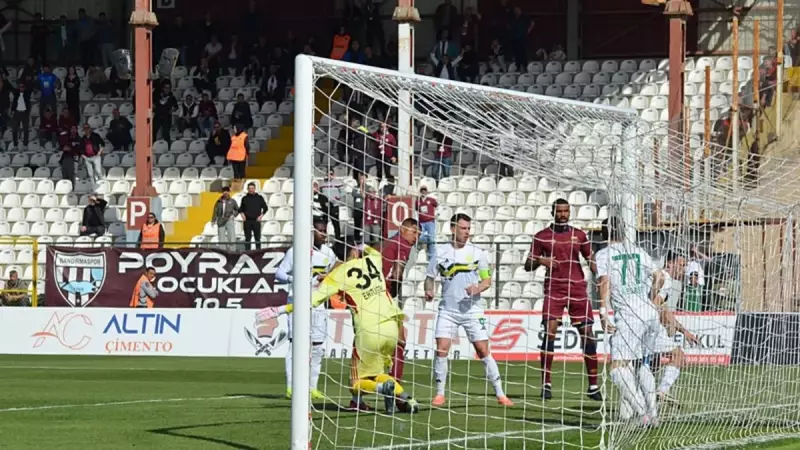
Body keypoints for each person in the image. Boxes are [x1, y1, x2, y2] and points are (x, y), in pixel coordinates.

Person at [259, 240, 419, 414]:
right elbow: (373, 252)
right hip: (391, 326)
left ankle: (382, 390)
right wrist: (361, 246)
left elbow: (310, 301)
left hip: (369, 331)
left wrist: (282, 309)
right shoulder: (373, 260)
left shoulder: (337, 275)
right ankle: (407, 399)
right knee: (378, 372)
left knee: (356, 382)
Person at [424, 213, 513, 407]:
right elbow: (430, 276)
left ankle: (500, 394)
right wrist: (429, 290)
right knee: (441, 349)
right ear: (453, 228)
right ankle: (440, 394)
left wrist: (478, 288)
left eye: (469, 229)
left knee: (482, 350)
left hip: (472, 310)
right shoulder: (440, 252)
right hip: (448, 310)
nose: (467, 233)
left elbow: (487, 280)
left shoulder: (477, 253)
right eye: (463, 228)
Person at [524, 198, 600, 401]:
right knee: (549, 332)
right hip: (554, 289)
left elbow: (589, 258)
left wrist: (599, 276)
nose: (563, 214)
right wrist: (541, 260)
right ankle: (546, 384)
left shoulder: (579, 235)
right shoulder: (541, 237)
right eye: (559, 211)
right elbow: (527, 265)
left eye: (566, 211)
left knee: (588, 333)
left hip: (577, 289)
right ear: (552, 212)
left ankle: (593, 386)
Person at [595, 217, 664, 425]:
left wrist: (602, 311)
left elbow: (604, 282)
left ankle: (641, 412)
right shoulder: (638, 250)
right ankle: (654, 415)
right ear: (623, 231)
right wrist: (651, 298)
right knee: (643, 363)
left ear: (603, 233)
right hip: (650, 313)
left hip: (629, 315)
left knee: (617, 368)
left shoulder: (603, 254)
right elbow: (659, 276)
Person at [274, 217, 338, 401]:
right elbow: (279, 274)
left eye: (325, 230)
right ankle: (291, 388)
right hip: (297, 303)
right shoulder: (295, 251)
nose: (324, 234)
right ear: (311, 232)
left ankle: (313, 388)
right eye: (320, 230)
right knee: (296, 346)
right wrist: (297, 279)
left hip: (318, 304)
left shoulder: (329, 253)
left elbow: (333, 271)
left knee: (317, 347)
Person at [643, 250, 700, 407]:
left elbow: (662, 307)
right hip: (649, 324)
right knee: (678, 356)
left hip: (640, 322)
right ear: (670, 263)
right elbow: (655, 305)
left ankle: (648, 397)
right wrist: (667, 324)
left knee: (651, 363)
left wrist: (682, 330)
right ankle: (662, 391)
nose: (684, 270)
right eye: (681, 265)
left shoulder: (656, 275)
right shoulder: (665, 280)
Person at [380, 217, 420, 382]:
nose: (416, 236)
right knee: (400, 340)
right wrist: (395, 288)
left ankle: (357, 398)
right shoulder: (402, 244)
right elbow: (397, 273)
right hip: (383, 296)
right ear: (403, 229)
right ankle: (395, 387)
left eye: (418, 233)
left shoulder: (390, 242)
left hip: (371, 295)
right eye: (414, 232)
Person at [239, 182, 268, 250]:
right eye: (249, 188)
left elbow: (265, 208)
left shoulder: (259, 198)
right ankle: (247, 253)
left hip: (256, 221)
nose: (251, 190)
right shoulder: (244, 198)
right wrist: (242, 214)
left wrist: (261, 216)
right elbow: (240, 209)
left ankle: (258, 254)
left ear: (255, 189)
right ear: (247, 189)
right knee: (247, 239)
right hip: (247, 221)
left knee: (257, 238)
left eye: (252, 188)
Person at [416, 185, 438, 260]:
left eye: (424, 190)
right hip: (421, 222)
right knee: (420, 238)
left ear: (427, 191)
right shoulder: (418, 201)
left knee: (432, 239)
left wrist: (437, 214)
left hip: (430, 222)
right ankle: (420, 254)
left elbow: (438, 206)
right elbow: (416, 210)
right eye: (422, 190)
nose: (423, 192)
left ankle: (431, 257)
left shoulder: (431, 200)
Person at [80, 124, 105, 190]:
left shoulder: (95, 136)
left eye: (87, 128)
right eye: (85, 128)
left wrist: (100, 151)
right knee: (90, 174)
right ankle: (94, 187)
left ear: (90, 128)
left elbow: (102, 144)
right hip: (87, 157)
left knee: (98, 171)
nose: (86, 130)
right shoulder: (83, 138)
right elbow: (81, 148)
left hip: (96, 156)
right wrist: (83, 156)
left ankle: (102, 185)